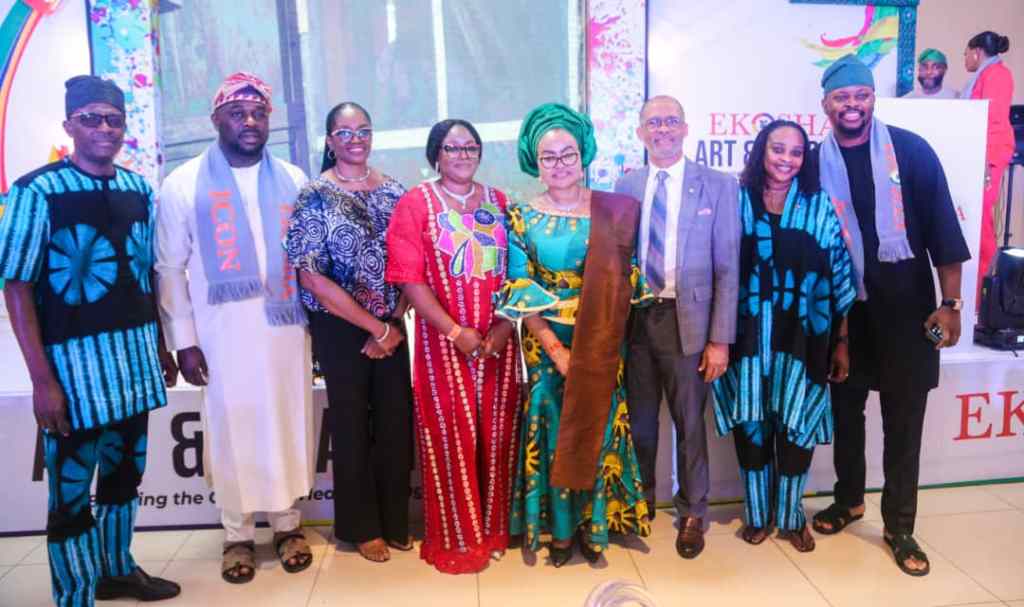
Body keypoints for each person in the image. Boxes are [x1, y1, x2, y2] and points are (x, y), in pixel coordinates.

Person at [0, 75, 180, 604]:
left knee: (125, 478)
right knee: (72, 493)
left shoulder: (138, 190)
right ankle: (75, 594)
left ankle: (116, 570)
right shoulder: (36, 192)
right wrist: (42, 381)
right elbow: (16, 285)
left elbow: (146, 276)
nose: (104, 128)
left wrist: (161, 346)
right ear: (69, 126)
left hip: (133, 367)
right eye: (91, 119)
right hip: (73, 375)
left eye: (113, 119)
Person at [811, 55, 970, 577]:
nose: (852, 105)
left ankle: (900, 525)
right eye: (841, 97)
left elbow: (943, 229)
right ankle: (849, 499)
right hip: (844, 313)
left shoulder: (910, 151)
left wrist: (950, 304)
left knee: (904, 422)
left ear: (873, 98)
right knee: (845, 412)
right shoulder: (814, 163)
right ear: (826, 104)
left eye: (860, 94)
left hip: (908, 312)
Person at [155, 72, 316, 584]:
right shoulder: (183, 184)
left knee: (285, 422)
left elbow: (309, 260)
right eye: (237, 113)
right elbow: (168, 269)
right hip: (221, 336)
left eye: (259, 113)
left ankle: (288, 525)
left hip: (285, 330)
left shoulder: (293, 178)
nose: (250, 121)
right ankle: (237, 535)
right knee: (232, 431)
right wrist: (184, 342)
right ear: (216, 120)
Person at [497, 102, 651, 567]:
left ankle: (593, 527)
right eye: (549, 157)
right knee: (553, 430)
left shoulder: (614, 211)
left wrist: (592, 346)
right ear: (535, 162)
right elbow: (519, 285)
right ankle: (560, 533)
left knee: (598, 427)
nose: (560, 164)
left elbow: (628, 279)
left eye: (568, 154)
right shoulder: (520, 216)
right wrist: (556, 349)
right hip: (546, 343)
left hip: (602, 338)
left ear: (583, 155)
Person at [711, 120, 857, 553]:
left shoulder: (819, 205)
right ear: (762, 150)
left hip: (804, 342)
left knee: (797, 429)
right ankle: (758, 514)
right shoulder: (735, 200)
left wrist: (842, 341)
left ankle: (792, 517)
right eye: (778, 149)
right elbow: (716, 265)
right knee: (752, 427)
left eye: (796, 152)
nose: (786, 159)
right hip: (746, 340)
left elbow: (839, 276)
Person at [385, 119, 521, 574]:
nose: (462, 155)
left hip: (498, 340)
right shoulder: (415, 203)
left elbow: (517, 273)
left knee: (497, 436)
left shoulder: (500, 201)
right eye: (452, 148)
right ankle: (458, 538)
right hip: (443, 344)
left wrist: (504, 327)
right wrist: (454, 331)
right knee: (451, 436)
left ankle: (494, 530)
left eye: (470, 147)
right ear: (435, 155)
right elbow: (409, 279)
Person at [286, 101, 412, 563]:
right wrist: (375, 327)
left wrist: (392, 322)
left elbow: (411, 264)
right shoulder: (314, 195)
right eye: (345, 132)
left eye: (363, 130)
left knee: (395, 422)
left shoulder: (394, 190)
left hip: (392, 324)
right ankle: (362, 527)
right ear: (330, 140)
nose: (355, 139)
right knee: (352, 424)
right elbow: (311, 277)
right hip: (340, 328)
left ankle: (395, 520)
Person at [614, 95, 739, 559]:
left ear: (685, 129)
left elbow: (728, 268)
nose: (662, 129)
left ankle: (692, 514)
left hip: (690, 322)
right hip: (636, 321)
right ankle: (640, 504)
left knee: (689, 425)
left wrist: (720, 340)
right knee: (641, 423)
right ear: (640, 132)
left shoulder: (718, 186)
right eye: (653, 123)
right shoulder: (626, 184)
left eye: (670, 121)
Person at [963, 31, 1015, 291]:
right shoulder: (986, 74)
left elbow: (991, 120)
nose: (965, 59)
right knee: (977, 221)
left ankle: (985, 292)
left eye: (966, 54)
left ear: (976, 52)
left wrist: (982, 162)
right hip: (980, 154)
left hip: (988, 156)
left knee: (981, 222)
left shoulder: (997, 75)